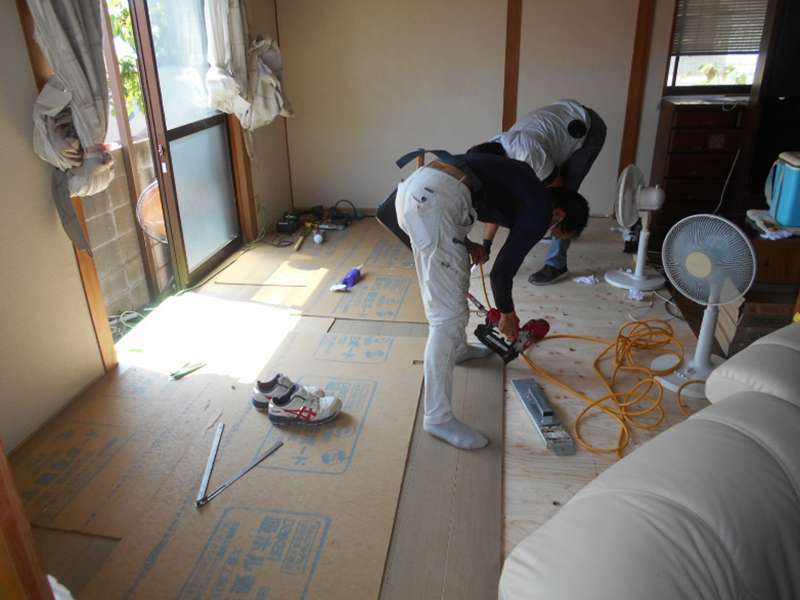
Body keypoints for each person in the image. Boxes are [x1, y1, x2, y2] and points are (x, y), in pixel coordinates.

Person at [395, 152, 589, 450]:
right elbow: (501, 273)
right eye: (557, 233)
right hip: (435, 205)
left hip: (418, 188)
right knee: (446, 319)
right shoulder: (540, 211)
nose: (550, 236)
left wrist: (466, 242)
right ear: (559, 215)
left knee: (454, 282)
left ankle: (458, 350)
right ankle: (437, 417)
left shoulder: (526, 188)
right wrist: (508, 315)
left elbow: (462, 185)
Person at [471, 99, 606, 285]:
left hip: (586, 128)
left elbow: (560, 196)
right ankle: (549, 230)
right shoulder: (493, 155)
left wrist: (533, 226)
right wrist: (487, 245)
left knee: (565, 197)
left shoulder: (527, 156)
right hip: (557, 128)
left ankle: (557, 264)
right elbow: (496, 205)